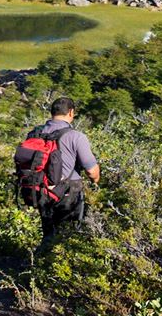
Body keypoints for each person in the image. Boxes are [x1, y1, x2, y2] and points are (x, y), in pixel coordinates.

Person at [32, 96, 100, 248]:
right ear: (71, 112)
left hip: (41, 190)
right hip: (68, 192)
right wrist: (96, 181)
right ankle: (58, 261)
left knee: (49, 233)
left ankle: (41, 259)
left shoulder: (36, 133)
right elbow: (91, 171)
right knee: (69, 236)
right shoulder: (76, 136)